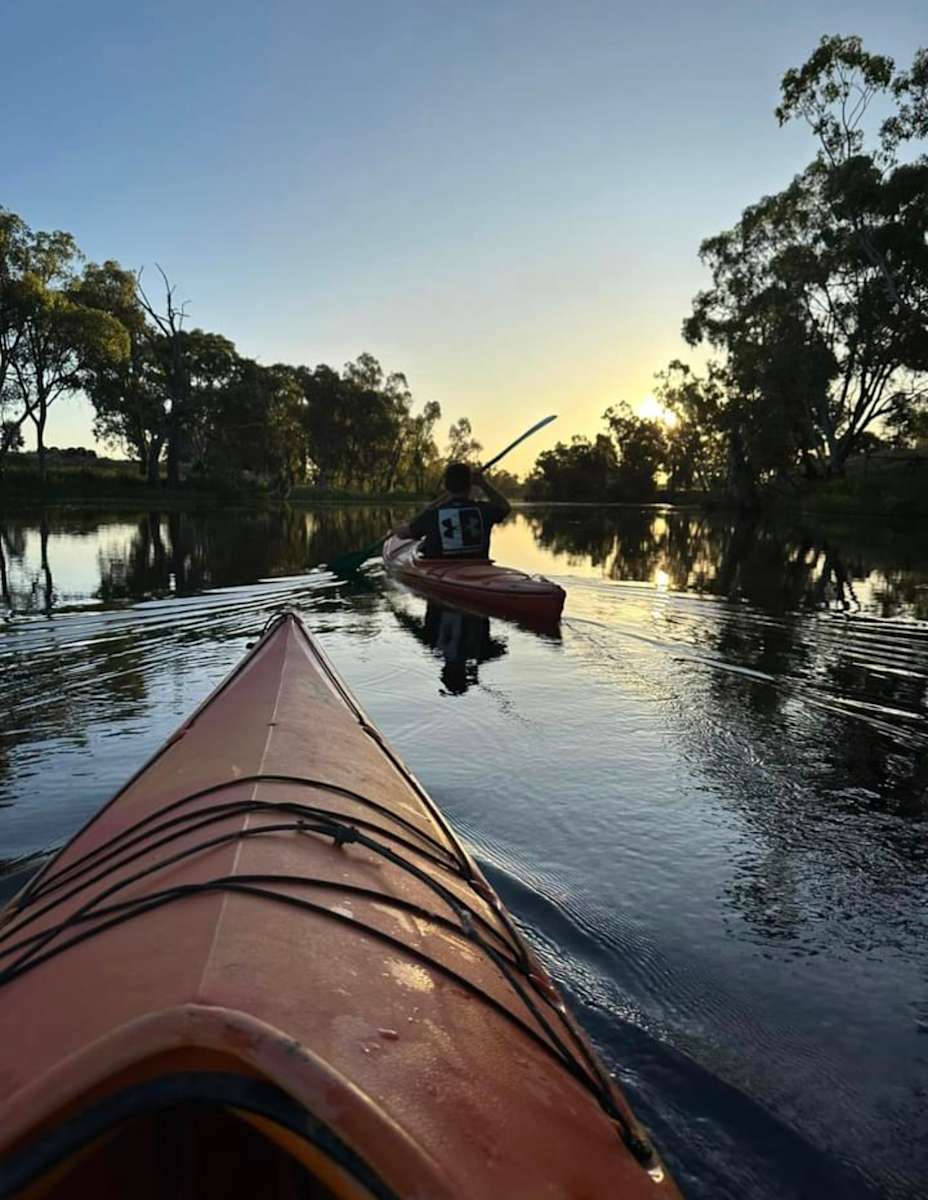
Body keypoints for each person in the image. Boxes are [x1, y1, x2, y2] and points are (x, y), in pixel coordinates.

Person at [393, 462, 510, 559]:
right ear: (470, 486)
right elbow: (505, 507)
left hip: (439, 570)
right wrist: (484, 484)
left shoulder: (433, 514)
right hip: (477, 568)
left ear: (446, 486)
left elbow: (405, 534)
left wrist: (397, 529)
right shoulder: (484, 510)